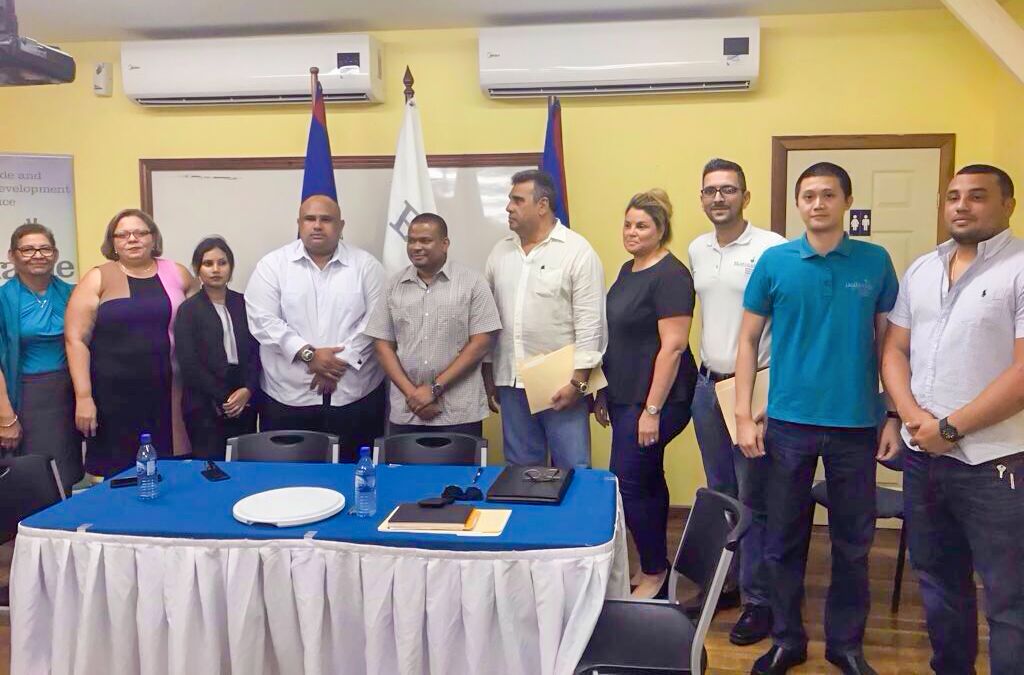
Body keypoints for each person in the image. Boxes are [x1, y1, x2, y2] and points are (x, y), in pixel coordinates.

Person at [735, 163, 901, 675]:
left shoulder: (875, 261)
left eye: (828, 194)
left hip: (856, 424)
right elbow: (747, 340)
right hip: (788, 424)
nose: (818, 204)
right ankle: (787, 639)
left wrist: (893, 414)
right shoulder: (775, 262)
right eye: (808, 195)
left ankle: (845, 645)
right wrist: (742, 414)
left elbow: (891, 345)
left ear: (846, 201)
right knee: (783, 540)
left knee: (853, 544)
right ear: (798, 203)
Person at [881, 164, 1024, 675]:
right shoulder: (922, 268)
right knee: (939, 584)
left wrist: (950, 428)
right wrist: (912, 417)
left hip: (996, 465)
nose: (961, 205)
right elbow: (894, 350)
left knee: (1010, 600)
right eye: (953, 196)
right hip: (924, 461)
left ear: (1007, 204)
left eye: (977, 196)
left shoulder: (1018, 268)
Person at [687, 159, 786, 644]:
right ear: (702, 198)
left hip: (753, 388)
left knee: (754, 497)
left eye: (728, 190)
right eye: (710, 191)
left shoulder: (772, 248)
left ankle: (759, 601)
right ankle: (728, 583)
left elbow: (787, 323)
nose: (718, 198)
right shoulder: (697, 249)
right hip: (708, 388)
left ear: (746, 197)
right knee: (721, 491)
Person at [593, 189, 696, 599]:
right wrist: (602, 391)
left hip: (659, 399)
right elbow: (618, 337)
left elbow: (673, 347)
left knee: (628, 480)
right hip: (624, 394)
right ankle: (657, 564)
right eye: (628, 224)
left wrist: (651, 411)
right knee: (647, 478)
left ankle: (653, 571)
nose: (632, 232)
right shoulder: (628, 269)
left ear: (661, 230)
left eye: (642, 226)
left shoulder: (671, 275)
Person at [245, 194, 386, 461]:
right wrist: (309, 355)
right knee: (289, 479)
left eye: (326, 219)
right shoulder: (272, 266)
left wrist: (334, 364)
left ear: (341, 226)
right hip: (287, 398)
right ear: (299, 224)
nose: (317, 225)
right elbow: (263, 320)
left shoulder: (366, 266)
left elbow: (376, 320)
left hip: (356, 396)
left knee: (355, 475)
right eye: (310, 219)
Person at [482, 169, 606, 469]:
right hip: (511, 381)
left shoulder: (577, 251)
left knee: (572, 469)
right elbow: (488, 317)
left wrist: (578, 382)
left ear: (542, 205)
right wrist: (488, 372)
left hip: (562, 383)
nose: (508, 207)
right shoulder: (500, 252)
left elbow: (590, 323)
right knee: (521, 471)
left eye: (517, 200)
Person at [65, 209, 195, 477]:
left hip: (171, 393)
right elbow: (76, 339)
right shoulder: (98, 277)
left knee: (172, 472)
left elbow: (200, 327)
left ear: (153, 237)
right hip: (113, 398)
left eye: (140, 233)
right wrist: (84, 397)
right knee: (119, 474)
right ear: (112, 242)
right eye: (122, 235)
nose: (132, 239)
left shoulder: (177, 273)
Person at [365, 213, 501, 436]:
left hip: (459, 411)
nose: (416, 247)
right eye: (411, 241)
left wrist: (435, 389)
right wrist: (413, 395)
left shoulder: (472, 282)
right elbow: (382, 345)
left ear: (445, 244)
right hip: (408, 410)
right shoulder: (393, 286)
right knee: (403, 462)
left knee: (462, 462)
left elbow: (481, 343)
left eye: (425, 241)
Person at [0, 222, 81, 491]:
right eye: (28, 249)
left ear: (55, 254)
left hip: (67, 395)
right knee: (35, 479)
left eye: (45, 248)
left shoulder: (73, 293)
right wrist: (6, 417)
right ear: (12, 256)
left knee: (66, 474)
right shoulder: (3, 299)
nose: (37, 255)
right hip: (26, 397)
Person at [174, 237, 260, 459]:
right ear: (197, 269)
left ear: (230, 268)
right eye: (208, 263)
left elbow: (257, 351)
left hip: (244, 398)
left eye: (222, 263)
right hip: (204, 402)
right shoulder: (188, 310)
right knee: (211, 467)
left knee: (243, 465)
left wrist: (248, 390)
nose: (215, 269)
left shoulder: (245, 304)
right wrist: (226, 398)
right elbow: (189, 364)